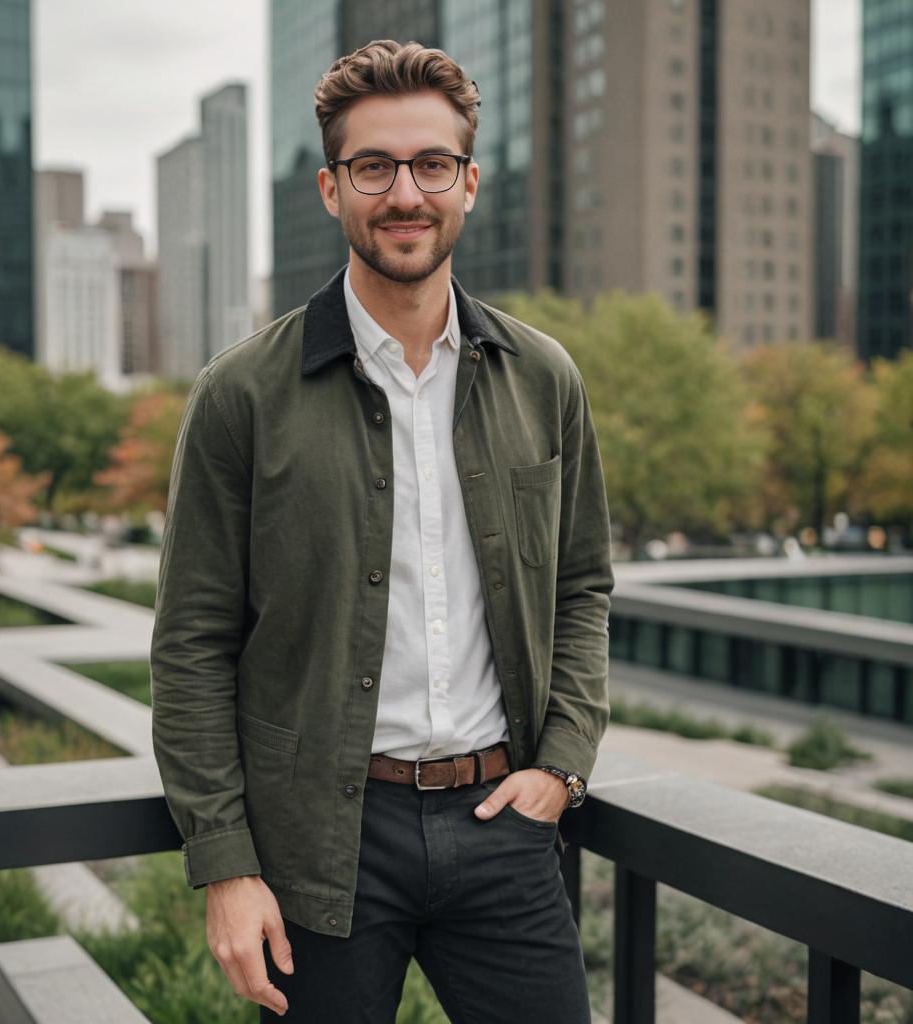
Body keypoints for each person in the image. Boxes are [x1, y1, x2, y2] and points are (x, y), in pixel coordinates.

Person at [151, 39, 614, 1024]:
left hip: (503, 829)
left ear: (469, 182)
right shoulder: (240, 395)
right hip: (321, 843)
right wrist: (224, 864)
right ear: (330, 188)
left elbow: (581, 586)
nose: (405, 193)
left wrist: (562, 760)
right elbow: (190, 647)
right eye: (373, 167)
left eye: (431, 165)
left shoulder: (543, 378)